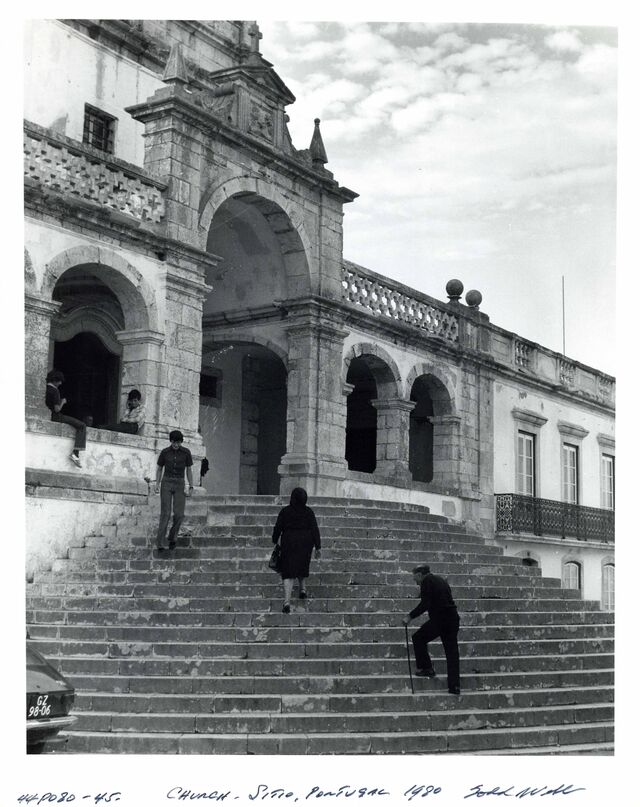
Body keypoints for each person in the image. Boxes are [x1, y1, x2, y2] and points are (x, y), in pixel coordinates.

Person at [402, 564, 461, 695]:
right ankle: (455, 686)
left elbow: (425, 604)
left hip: (440, 620)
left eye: (415, 579)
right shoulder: (440, 580)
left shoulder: (426, 582)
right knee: (452, 654)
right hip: (452, 619)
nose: (415, 582)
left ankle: (427, 668)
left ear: (419, 575)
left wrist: (409, 616)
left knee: (418, 638)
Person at [271, 487, 321, 613]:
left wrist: (274, 539)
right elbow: (315, 529)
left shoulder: (285, 511)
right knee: (302, 564)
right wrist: (318, 546)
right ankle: (303, 589)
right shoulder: (309, 512)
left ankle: (287, 601)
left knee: (288, 570)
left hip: (289, 541)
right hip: (306, 542)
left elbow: (278, 527)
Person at [154, 430, 194, 551]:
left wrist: (191, 486)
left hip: (179, 483)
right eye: (173, 442)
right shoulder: (165, 452)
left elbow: (189, 470)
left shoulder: (186, 453)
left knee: (179, 514)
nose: (176, 445)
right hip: (166, 482)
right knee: (165, 513)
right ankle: (160, 542)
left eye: (178, 442)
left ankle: (173, 536)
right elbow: (160, 468)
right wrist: (157, 483)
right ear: (170, 441)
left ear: (181, 442)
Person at [45, 369, 87, 468]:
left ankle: (75, 454)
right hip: (56, 416)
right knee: (82, 426)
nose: (60, 383)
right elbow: (57, 409)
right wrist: (63, 401)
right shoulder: (55, 391)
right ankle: (75, 453)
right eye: (59, 381)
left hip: (48, 415)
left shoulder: (45, 388)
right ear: (54, 380)